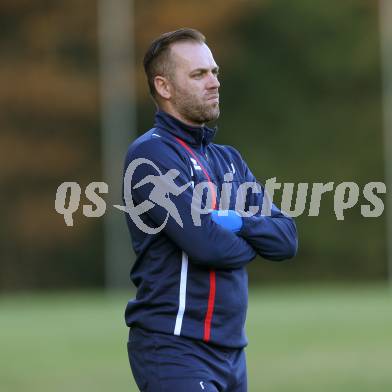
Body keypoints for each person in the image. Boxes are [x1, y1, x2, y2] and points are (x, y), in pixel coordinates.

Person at [123, 28, 298, 392]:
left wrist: (235, 221)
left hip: (232, 351)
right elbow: (209, 246)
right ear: (164, 87)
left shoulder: (228, 159)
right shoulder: (150, 156)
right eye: (199, 74)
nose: (214, 82)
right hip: (174, 347)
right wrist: (249, 234)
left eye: (214, 72)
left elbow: (287, 239)